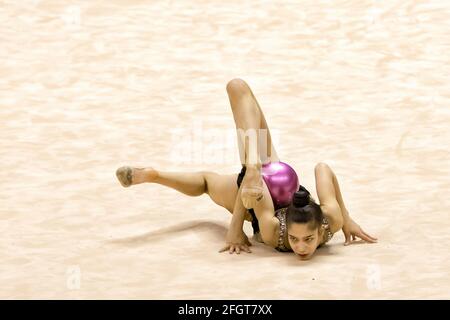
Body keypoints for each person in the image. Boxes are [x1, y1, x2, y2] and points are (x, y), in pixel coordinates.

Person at [115, 78, 377, 260]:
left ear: (321, 229)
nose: (299, 246)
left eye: (305, 240)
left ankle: (153, 174)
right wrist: (234, 227)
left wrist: (346, 218)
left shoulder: (310, 224)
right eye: (300, 239)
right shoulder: (296, 228)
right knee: (207, 183)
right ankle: (247, 163)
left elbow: (317, 169)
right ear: (321, 225)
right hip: (266, 187)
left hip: (276, 180)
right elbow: (320, 170)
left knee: (237, 88)